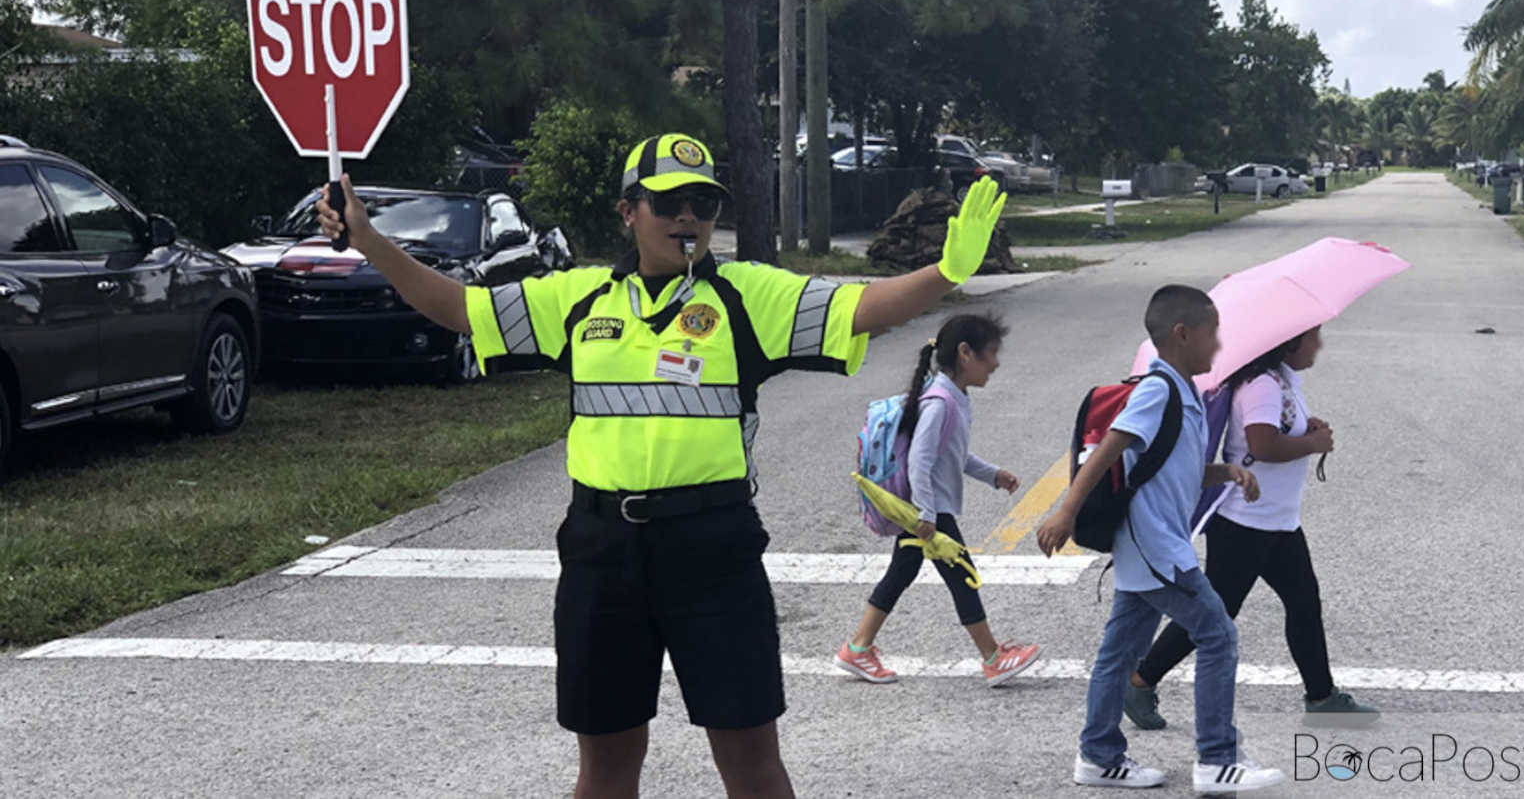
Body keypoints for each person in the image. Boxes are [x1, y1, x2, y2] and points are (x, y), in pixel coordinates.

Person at [315, 133, 1007, 799]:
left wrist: (946, 272)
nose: (687, 217)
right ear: (628, 211)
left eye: (703, 205)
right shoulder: (578, 298)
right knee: (606, 769)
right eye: (668, 201)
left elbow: (864, 307)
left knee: (754, 767)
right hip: (601, 552)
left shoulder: (747, 296)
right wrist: (371, 240)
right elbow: (460, 309)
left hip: (713, 549)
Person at [1036, 285, 1286, 793]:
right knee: (1218, 635)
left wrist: (1228, 473)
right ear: (1182, 334)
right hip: (1156, 547)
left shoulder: (1184, 391)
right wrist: (1066, 510)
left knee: (1120, 653)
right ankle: (1216, 760)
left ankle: (1098, 755)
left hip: (1151, 545)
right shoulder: (1159, 390)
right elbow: (1113, 446)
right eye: (1212, 334)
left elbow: (1179, 470)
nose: (1218, 346)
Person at [1124, 326, 1379, 730]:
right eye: (1313, 336)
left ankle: (1322, 695)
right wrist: (1313, 445)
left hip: (1276, 522)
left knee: (1303, 602)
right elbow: (1262, 446)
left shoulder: (1278, 379)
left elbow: (1275, 432)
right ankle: (1139, 680)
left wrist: (1305, 429)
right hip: (1247, 524)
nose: (1319, 344)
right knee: (1218, 611)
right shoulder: (1262, 384)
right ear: (1290, 342)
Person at [834, 312, 1043, 687]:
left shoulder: (955, 397)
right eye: (990, 353)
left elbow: (955, 456)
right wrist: (927, 512)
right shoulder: (940, 401)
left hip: (928, 509)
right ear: (966, 353)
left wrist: (993, 474)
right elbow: (920, 459)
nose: (995, 363)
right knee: (962, 577)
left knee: (902, 572)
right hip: (928, 511)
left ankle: (859, 647)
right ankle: (993, 657)